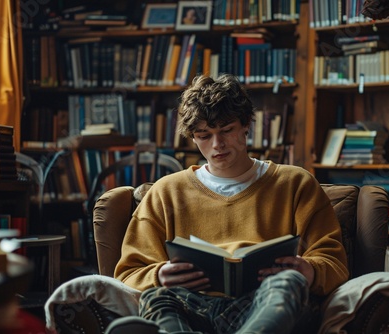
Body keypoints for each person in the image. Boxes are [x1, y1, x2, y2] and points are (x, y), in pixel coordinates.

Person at [108, 74, 349, 334]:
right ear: (192, 137)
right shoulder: (166, 192)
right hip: (192, 303)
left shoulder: (295, 183)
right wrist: (159, 275)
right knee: (156, 298)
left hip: (264, 302)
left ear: (246, 125)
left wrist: (309, 270)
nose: (217, 145)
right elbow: (128, 274)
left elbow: (334, 264)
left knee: (288, 282)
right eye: (204, 135)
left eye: (226, 130)